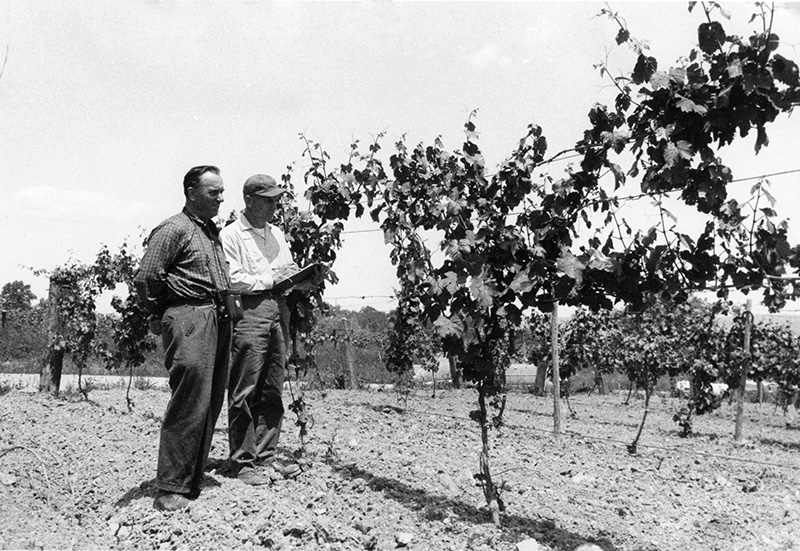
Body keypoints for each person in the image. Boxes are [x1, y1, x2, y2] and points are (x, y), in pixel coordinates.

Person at [133, 165, 232, 511]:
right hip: (189, 316)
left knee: (209, 401)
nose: (221, 198)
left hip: (216, 317)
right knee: (189, 399)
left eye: (222, 192)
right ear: (191, 192)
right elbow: (146, 279)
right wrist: (163, 312)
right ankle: (170, 487)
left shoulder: (207, 232)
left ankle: (191, 478)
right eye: (213, 192)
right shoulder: (174, 228)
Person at [220, 174, 304, 485]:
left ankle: (266, 456)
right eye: (268, 199)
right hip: (249, 312)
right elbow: (232, 279)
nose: (274, 205)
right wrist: (270, 279)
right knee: (245, 387)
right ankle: (243, 461)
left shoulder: (277, 234)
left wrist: (303, 277)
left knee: (272, 385)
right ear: (250, 200)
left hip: (277, 309)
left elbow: (288, 268)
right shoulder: (230, 236)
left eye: (276, 199)